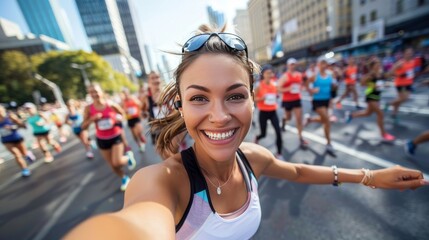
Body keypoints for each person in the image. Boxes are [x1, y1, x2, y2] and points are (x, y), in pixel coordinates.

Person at [65, 25, 427, 240]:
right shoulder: (162, 182)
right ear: (181, 105)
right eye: (199, 98)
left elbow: (298, 171)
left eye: (235, 96)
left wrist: (370, 177)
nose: (219, 116)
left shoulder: (252, 158)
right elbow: (131, 227)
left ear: (253, 99)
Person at [81, 83, 136, 191]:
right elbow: (83, 126)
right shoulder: (88, 108)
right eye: (91, 92)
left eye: (96, 91)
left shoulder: (111, 105)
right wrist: (92, 119)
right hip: (101, 139)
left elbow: (123, 115)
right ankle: (124, 178)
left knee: (117, 162)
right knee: (112, 165)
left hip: (115, 136)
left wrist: (116, 118)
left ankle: (128, 157)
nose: (94, 94)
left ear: (101, 92)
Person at [344, 57, 395, 141]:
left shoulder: (380, 73)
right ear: (372, 66)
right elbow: (361, 83)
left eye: (379, 63)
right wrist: (373, 86)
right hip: (370, 95)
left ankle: (351, 115)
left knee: (367, 113)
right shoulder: (370, 74)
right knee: (380, 114)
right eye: (376, 63)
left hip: (377, 96)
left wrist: (385, 84)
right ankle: (383, 134)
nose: (379, 64)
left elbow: (385, 78)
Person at [304, 57, 336, 154]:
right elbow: (306, 84)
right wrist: (311, 90)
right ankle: (329, 144)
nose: (324, 65)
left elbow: (332, 88)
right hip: (317, 101)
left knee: (324, 120)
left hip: (327, 100)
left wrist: (332, 100)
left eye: (325, 63)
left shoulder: (331, 75)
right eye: (322, 63)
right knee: (327, 120)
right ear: (318, 65)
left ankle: (310, 120)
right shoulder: (315, 76)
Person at [254, 64, 284, 159]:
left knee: (278, 132)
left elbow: (278, 93)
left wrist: (277, 95)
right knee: (264, 134)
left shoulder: (274, 84)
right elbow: (253, 98)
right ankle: (258, 138)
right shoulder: (259, 86)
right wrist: (262, 98)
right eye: (268, 73)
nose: (270, 74)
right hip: (263, 112)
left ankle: (279, 153)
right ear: (263, 74)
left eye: (271, 73)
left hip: (273, 112)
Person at [277, 58, 308, 148]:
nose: (292, 66)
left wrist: (301, 88)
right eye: (291, 64)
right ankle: (284, 120)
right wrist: (288, 89)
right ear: (287, 65)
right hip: (287, 100)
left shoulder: (299, 75)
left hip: (297, 99)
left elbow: (301, 84)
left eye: (294, 64)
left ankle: (301, 138)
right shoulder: (285, 76)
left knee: (299, 119)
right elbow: (278, 88)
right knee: (288, 117)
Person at [0, 105, 35, 177]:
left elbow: (22, 125)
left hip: (16, 138)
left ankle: (27, 154)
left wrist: (12, 127)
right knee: (17, 154)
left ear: (3, 109)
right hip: (6, 140)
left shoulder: (10, 116)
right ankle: (24, 169)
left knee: (24, 154)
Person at [385, 48, 415, 123]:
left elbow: (410, 72)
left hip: (409, 83)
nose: (409, 55)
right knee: (405, 98)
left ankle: (394, 115)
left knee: (400, 100)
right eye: (408, 53)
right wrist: (399, 75)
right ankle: (389, 104)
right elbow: (390, 72)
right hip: (400, 84)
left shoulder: (412, 62)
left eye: (411, 53)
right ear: (404, 54)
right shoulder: (400, 63)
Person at [121, 88, 146, 152]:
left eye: (126, 93)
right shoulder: (123, 101)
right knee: (134, 134)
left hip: (136, 117)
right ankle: (139, 145)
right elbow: (121, 110)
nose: (125, 95)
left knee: (139, 130)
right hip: (129, 119)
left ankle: (141, 136)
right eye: (124, 94)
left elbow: (140, 105)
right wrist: (125, 110)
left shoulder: (133, 98)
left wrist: (139, 108)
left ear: (128, 93)